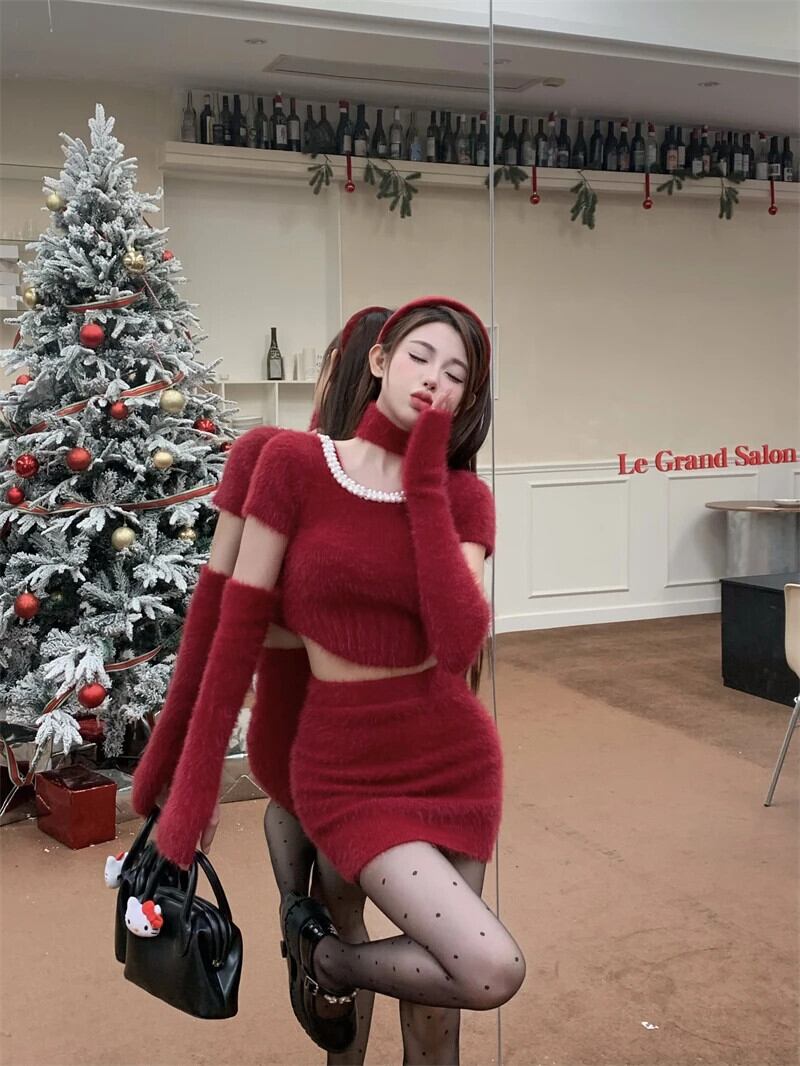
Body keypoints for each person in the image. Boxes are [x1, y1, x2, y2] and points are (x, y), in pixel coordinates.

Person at [153, 297, 526, 1061]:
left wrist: (426, 481)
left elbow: (458, 640)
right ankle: (328, 961)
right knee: (488, 965)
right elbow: (232, 630)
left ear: (468, 400)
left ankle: (325, 960)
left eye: (457, 374)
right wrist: (190, 789)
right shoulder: (292, 465)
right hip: (346, 767)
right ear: (380, 360)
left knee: (442, 995)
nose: (436, 380)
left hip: (454, 759)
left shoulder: (463, 497)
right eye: (419, 357)